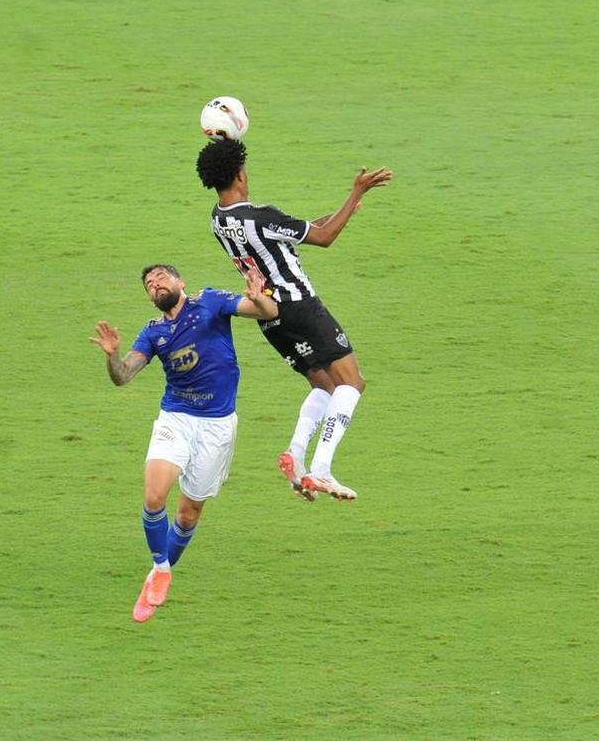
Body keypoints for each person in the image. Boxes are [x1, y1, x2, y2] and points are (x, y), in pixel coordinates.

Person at [196, 138, 393, 503]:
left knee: (324, 387)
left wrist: (344, 210)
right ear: (240, 174)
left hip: (270, 317)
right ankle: (321, 469)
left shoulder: (218, 219)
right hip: (301, 307)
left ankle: (296, 456)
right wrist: (355, 194)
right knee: (352, 385)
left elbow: (293, 232)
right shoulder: (261, 216)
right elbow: (323, 237)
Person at [90, 263, 278, 623]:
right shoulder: (153, 332)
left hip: (217, 426)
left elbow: (264, 311)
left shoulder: (209, 302)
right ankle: (161, 567)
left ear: (181, 283)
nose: (155, 285)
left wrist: (260, 298)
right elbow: (123, 376)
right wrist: (112, 355)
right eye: (149, 284)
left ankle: (157, 573)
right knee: (153, 495)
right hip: (175, 417)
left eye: (161, 277)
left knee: (189, 513)